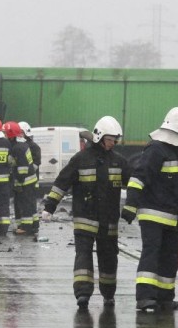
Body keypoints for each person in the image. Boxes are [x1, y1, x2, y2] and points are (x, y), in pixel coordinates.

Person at [44, 116, 130, 308]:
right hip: (85, 218)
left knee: (108, 257)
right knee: (83, 255)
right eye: (109, 140)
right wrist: (49, 206)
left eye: (115, 141)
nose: (112, 144)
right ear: (99, 137)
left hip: (109, 221)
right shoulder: (81, 159)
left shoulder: (119, 162)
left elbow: (134, 183)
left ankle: (108, 293)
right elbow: (62, 183)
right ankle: (83, 293)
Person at [122, 108, 178, 312]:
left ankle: (164, 298)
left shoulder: (173, 151)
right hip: (153, 214)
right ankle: (145, 298)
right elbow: (139, 177)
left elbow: (173, 183)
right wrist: (130, 204)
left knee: (170, 256)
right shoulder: (156, 150)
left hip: (172, 216)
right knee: (152, 254)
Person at [3, 121, 38, 235]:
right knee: (30, 204)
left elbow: (22, 169)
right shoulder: (23, 144)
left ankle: (26, 227)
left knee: (25, 204)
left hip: (25, 181)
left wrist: (18, 183)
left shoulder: (18, 148)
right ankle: (33, 225)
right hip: (30, 180)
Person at [19, 121, 42, 232]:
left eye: (21, 132)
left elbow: (35, 165)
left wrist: (22, 170)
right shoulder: (20, 146)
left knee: (29, 203)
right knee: (26, 203)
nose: (19, 135)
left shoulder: (33, 147)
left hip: (30, 181)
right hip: (24, 180)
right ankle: (33, 224)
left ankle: (29, 226)